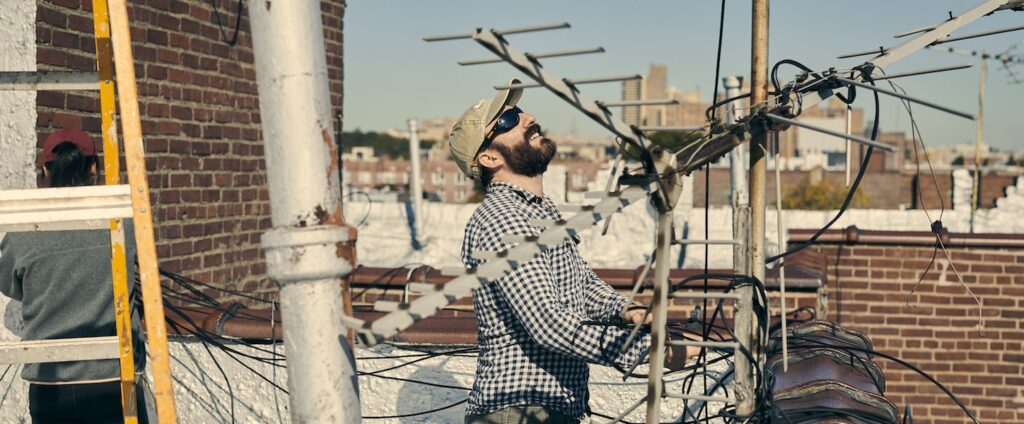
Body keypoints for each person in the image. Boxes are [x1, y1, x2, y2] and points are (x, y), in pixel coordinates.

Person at [450, 79, 699, 424]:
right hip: (518, 410)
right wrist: (655, 352)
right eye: (508, 121)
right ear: (489, 157)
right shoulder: (502, 220)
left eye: (519, 112)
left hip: (549, 409)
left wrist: (628, 312)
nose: (528, 118)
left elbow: (579, 283)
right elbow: (548, 324)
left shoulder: (538, 210)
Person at [0, 128, 148, 423]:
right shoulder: (121, 220)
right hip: (113, 380)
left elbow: (10, 285)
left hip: (48, 382)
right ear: (93, 168)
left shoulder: (23, 228)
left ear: (44, 169)